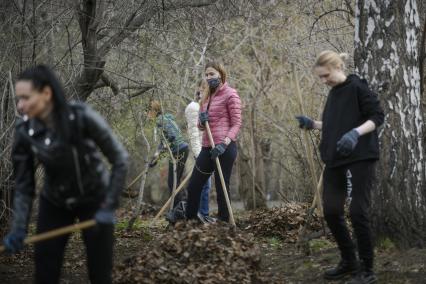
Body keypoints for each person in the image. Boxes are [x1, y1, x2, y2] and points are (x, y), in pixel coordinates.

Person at [2, 65, 129, 284]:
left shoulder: (81, 116)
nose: (20, 106)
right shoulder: (24, 132)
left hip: (95, 198)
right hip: (55, 201)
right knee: (45, 271)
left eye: (25, 98)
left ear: (46, 93)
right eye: (18, 99)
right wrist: (19, 228)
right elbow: (23, 185)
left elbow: (120, 159)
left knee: (100, 274)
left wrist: (109, 205)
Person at [296, 50, 384, 284]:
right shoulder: (334, 94)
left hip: (361, 156)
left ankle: (367, 270)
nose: (324, 81)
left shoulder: (358, 87)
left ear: (336, 67)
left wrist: (356, 133)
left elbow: (377, 116)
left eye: (326, 76)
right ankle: (349, 261)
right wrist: (313, 124)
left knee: (357, 212)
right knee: (332, 212)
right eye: (320, 78)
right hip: (336, 158)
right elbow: (336, 124)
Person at [185, 62, 242, 223]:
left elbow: (237, 123)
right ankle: (190, 221)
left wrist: (224, 143)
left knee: (221, 186)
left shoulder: (231, 94)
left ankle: (224, 222)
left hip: (225, 147)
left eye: (212, 74)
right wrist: (202, 121)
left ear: (220, 74)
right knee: (194, 185)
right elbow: (200, 126)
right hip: (207, 146)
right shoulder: (206, 97)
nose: (209, 77)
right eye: (207, 75)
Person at [148, 100, 189, 208]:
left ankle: (178, 210)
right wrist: (155, 159)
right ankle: (181, 208)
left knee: (173, 183)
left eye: (148, 111)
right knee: (174, 182)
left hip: (179, 151)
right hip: (181, 150)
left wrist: (159, 155)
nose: (147, 115)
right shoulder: (163, 119)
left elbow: (171, 138)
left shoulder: (160, 120)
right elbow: (163, 144)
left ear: (154, 111)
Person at [184, 79, 213, 222]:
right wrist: (198, 154)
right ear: (199, 90)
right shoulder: (194, 107)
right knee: (203, 185)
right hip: (200, 151)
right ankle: (200, 215)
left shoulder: (206, 106)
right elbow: (194, 134)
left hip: (208, 150)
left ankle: (204, 214)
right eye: (203, 88)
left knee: (207, 185)